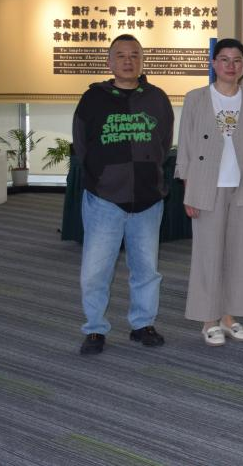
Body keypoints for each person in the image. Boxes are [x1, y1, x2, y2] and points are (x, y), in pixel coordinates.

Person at [73, 34, 174, 355]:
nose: (128, 61)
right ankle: (95, 328)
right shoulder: (93, 99)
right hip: (104, 199)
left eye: (134, 55)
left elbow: (163, 143)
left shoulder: (157, 98)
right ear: (109, 62)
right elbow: (82, 146)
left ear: (142, 61)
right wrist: (105, 176)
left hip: (147, 199)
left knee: (146, 270)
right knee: (95, 272)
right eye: (121, 55)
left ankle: (142, 324)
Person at [176, 38, 243, 347]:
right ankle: (208, 320)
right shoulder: (196, 98)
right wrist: (189, 190)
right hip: (206, 186)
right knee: (208, 254)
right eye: (225, 59)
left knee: (240, 254)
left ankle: (229, 317)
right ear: (214, 63)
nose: (231, 65)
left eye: (237, 60)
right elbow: (186, 147)